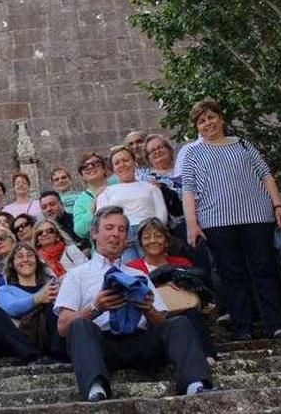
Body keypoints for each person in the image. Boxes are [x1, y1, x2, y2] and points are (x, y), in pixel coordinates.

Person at [54, 206, 212, 402]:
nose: (115, 234)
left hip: (140, 342)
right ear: (95, 233)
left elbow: (160, 322)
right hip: (102, 347)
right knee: (79, 324)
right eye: (109, 228)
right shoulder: (76, 275)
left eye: (121, 230)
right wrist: (96, 308)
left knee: (179, 323)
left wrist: (147, 309)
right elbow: (62, 327)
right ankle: (95, 389)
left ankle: (195, 384)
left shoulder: (138, 274)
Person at [182, 98, 281, 340]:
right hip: (216, 221)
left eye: (211, 117)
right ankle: (243, 327)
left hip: (257, 216)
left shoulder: (243, 144)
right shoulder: (191, 152)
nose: (208, 123)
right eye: (201, 121)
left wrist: (278, 204)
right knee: (231, 273)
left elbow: (265, 175)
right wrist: (192, 222)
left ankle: (275, 324)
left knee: (264, 269)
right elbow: (188, 188)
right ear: (196, 127)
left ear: (221, 119)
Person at [127, 218, 215, 360]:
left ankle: (207, 356)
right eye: (147, 237)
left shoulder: (182, 263)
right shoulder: (132, 268)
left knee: (192, 314)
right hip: (151, 317)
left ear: (167, 241)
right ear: (141, 244)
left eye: (158, 236)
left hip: (183, 312)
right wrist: (159, 287)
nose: (153, 240)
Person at [0, 243, 66, 364]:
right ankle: (31, 356)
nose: (25, 259)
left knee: (56, 307)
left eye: (30, 255)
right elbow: (11, 308)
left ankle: (58, 357)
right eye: (20, 256)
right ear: (12, 264)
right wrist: (37, 299)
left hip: (46, 336)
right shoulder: (4, 290)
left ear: (37, 261)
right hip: (19, 338)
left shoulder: (50, 287)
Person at [95, 146, 167, 261]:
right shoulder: (106, 192)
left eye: (126, 160)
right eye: (117, 163)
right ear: (113, 169)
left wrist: (155, 232)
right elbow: (101, 218)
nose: (122, 165)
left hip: (149, 233)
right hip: (122, 237)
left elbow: (162, 214)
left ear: (134, 162)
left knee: (153, 269)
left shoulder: (151, 186)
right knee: (130, 272)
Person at [72, 153, 108, 243]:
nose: (91, 167)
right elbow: (80, 231)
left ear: (104, 169)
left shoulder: (117, 187)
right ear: (82, 175)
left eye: (96, 163)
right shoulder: (80, 202)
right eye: (85, 166)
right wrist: (93, 207)